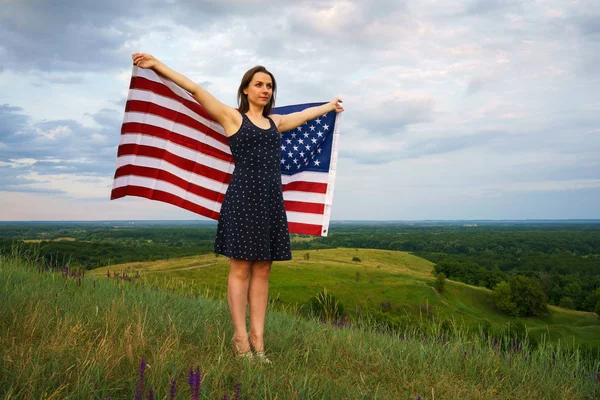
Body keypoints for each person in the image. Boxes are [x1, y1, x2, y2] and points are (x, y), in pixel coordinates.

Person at [131, 53, 344, 363]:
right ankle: (240, 338)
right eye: (259, 84)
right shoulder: (232, 118)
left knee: (264, 269)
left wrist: (329, 106)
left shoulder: (275, 122)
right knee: (241, 268)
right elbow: (194, 88)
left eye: (269, 86)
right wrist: (157, 65)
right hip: (243, 199)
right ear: (246, 89)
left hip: (271, 200)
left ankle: (259, 341)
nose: (265, 90)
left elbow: (306, 115)